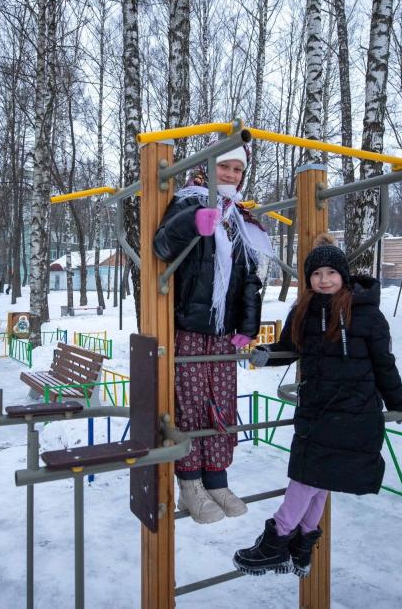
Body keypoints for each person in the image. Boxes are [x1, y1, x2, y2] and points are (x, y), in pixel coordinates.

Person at [232, 237, 402, 577]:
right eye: (316, 273)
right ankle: (300, 546)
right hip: (316, 407)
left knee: (307, 476)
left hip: (353, 411)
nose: (324, 279)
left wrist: (399, 403)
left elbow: (384, 363)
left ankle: (277, 539)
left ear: (344, 275)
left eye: (331, 272)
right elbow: (290, 348)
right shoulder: (303, 310)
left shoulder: (366, 314)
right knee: (318, 478)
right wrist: (267, 354)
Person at [152, 144, 273, 524]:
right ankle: (190, 484)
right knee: (190, 404)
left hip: (223, 333)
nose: (232, 175)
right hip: (189, 328)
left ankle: (217, 480)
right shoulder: (187, 203)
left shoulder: (240, 220)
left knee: (221, 405)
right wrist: (194, 223)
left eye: (238, 169)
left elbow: (250, 280)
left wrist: (248, 326)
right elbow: (161, 245)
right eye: (225, 166)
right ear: (207, 167)